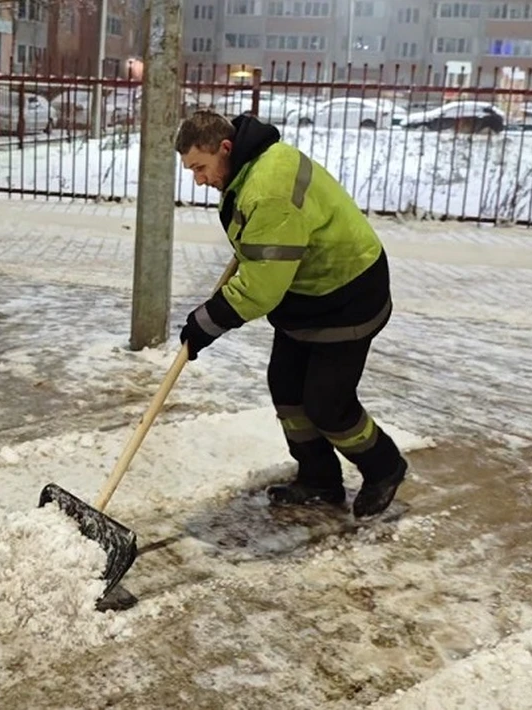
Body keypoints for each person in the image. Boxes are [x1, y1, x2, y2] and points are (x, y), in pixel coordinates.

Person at [175, 109, 408, 518]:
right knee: (286, 387)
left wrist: (204, 324)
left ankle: (384, 467)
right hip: (303, 291)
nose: (198, 179)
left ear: (225, 148)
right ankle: (319, 479)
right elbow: (266, 257)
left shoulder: (268, 191)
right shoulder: (250, 168)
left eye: (200, 167)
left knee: (327, 405)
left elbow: (261, 288)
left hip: (345, 293)